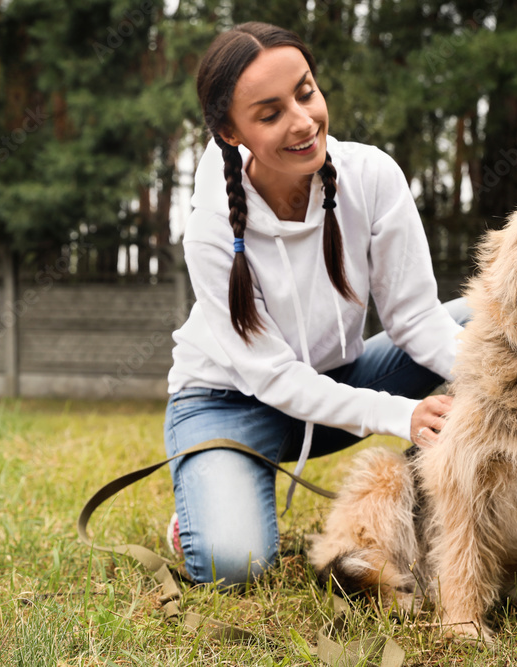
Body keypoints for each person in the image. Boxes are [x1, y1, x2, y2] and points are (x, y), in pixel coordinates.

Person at [163, 21, 469, 588]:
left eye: (306, 92)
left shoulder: (372, 177)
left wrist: (513, 383)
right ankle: (202, 510)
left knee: (476, 329)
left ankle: (441, 512)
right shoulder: (210, 227)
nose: (303, 122)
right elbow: (273, 376)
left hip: (334, 382)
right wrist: (399, 415)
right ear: (231, 132)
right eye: (270, 112)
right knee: (237, 568)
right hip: (225, 406)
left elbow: (416, 319)